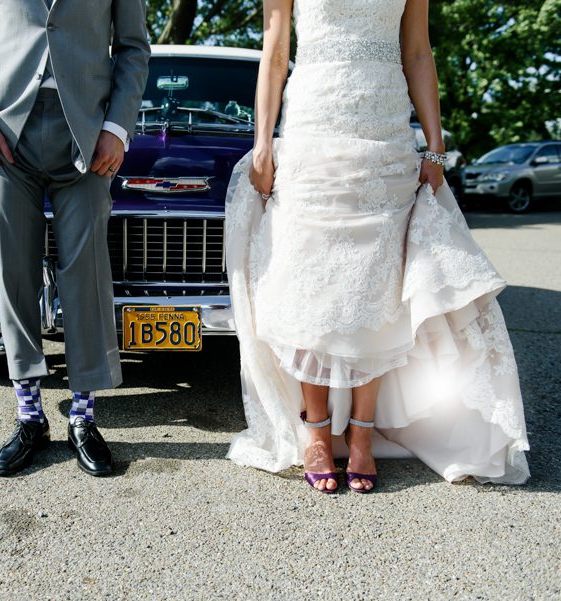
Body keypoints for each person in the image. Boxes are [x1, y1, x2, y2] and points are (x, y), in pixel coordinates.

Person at [224, 0, 530, 492]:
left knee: (379, 281)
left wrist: (434, 144)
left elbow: (417, 52)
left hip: (385, 129)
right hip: (313, 126)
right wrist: (263, 142)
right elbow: (275, 48)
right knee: (313, 277)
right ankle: (318, 431)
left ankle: (362, 433)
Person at [0, 0, 150, 477]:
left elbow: (134, 48)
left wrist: (118, 128)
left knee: (86, 273)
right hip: (2, 130)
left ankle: (83, 418)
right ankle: (29, 417)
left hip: (88, 127)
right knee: (14, 272)